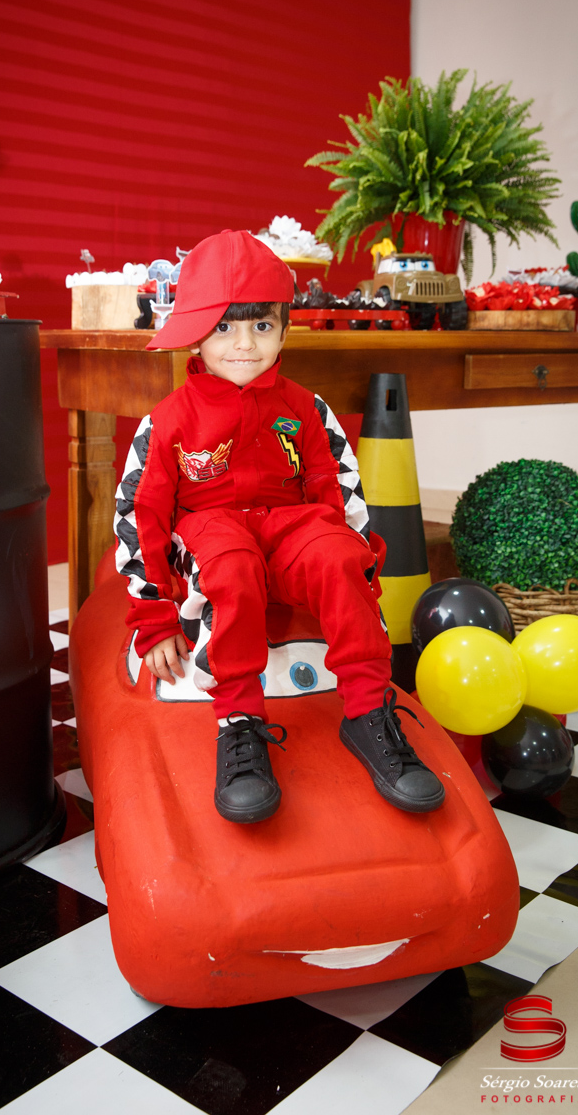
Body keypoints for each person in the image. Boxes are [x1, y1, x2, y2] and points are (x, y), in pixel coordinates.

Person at [114, 229, 444, 824]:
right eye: (224, 327)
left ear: (285, 331)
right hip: (212, 535)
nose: (245, 344)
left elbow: (341, 495)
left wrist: (356, 580)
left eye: (262, 326)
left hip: (291, 530)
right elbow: (141, 517)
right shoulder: (166, 422)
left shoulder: (307, 409)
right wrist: (155, 618)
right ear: (196, 331)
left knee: (336, 553)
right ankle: (239, 724)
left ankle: (368, 712)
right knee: (230, 565)